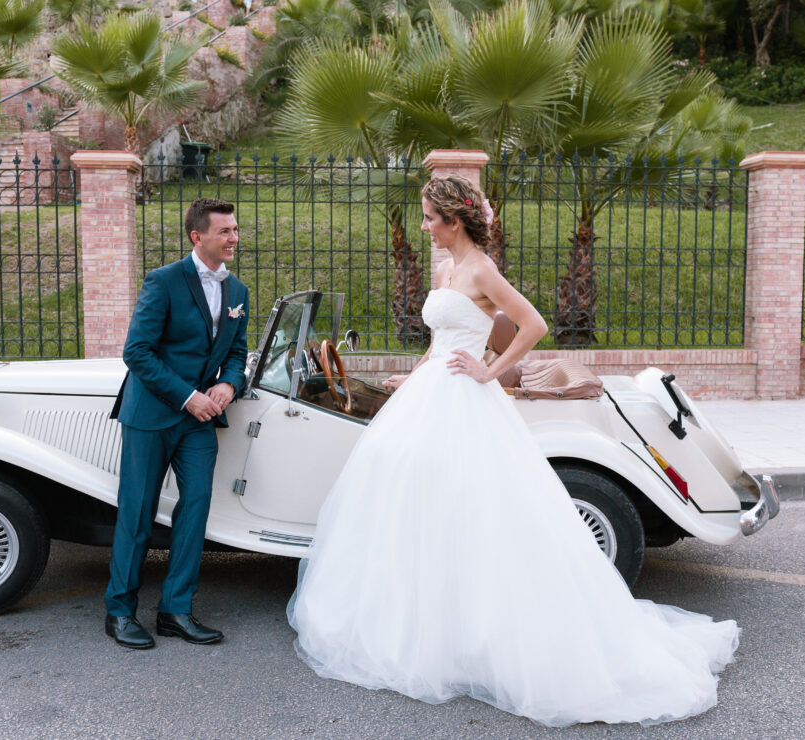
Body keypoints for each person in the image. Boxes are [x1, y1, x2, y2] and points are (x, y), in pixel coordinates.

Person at [286, 175, 740, 727]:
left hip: (466, 400)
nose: (424, 225)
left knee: (479, 505)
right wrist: (413, 375)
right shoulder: (447, 268)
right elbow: (439, 341)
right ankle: (434, 619)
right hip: (431, 393)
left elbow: (533, 325)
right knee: (416, 492)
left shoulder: (480, 269)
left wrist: (489, 372)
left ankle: (484, 628)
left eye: (429, 217)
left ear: (453, 221)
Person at [104, 198, 250, 650]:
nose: (233, 237)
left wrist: (228, 386)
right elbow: (137, 351)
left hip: (201, 420)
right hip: (153, 414)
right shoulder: (163, 281)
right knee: (138, 510)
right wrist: (188, 397)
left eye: (235, 229)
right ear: (197, 236)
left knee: (196, 507)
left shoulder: (237, 291)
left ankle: (175, 609)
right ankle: (120, 612)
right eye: (224, 230)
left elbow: (236, 353)